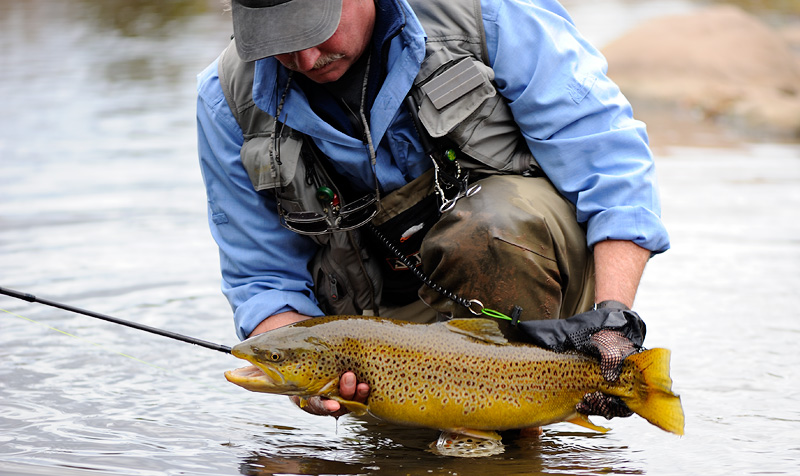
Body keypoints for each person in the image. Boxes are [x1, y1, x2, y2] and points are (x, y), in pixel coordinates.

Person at [197, 0, 669, 419]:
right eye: (274, 40)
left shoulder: (487, 13)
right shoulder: (225, 99)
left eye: (311, 28)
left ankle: (531, 412)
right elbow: (262, 279)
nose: (304, 59)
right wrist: (306, 385)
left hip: (536, 295)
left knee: (491, 226)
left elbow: (610, 167)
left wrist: (611, 320)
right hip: (383, 353)